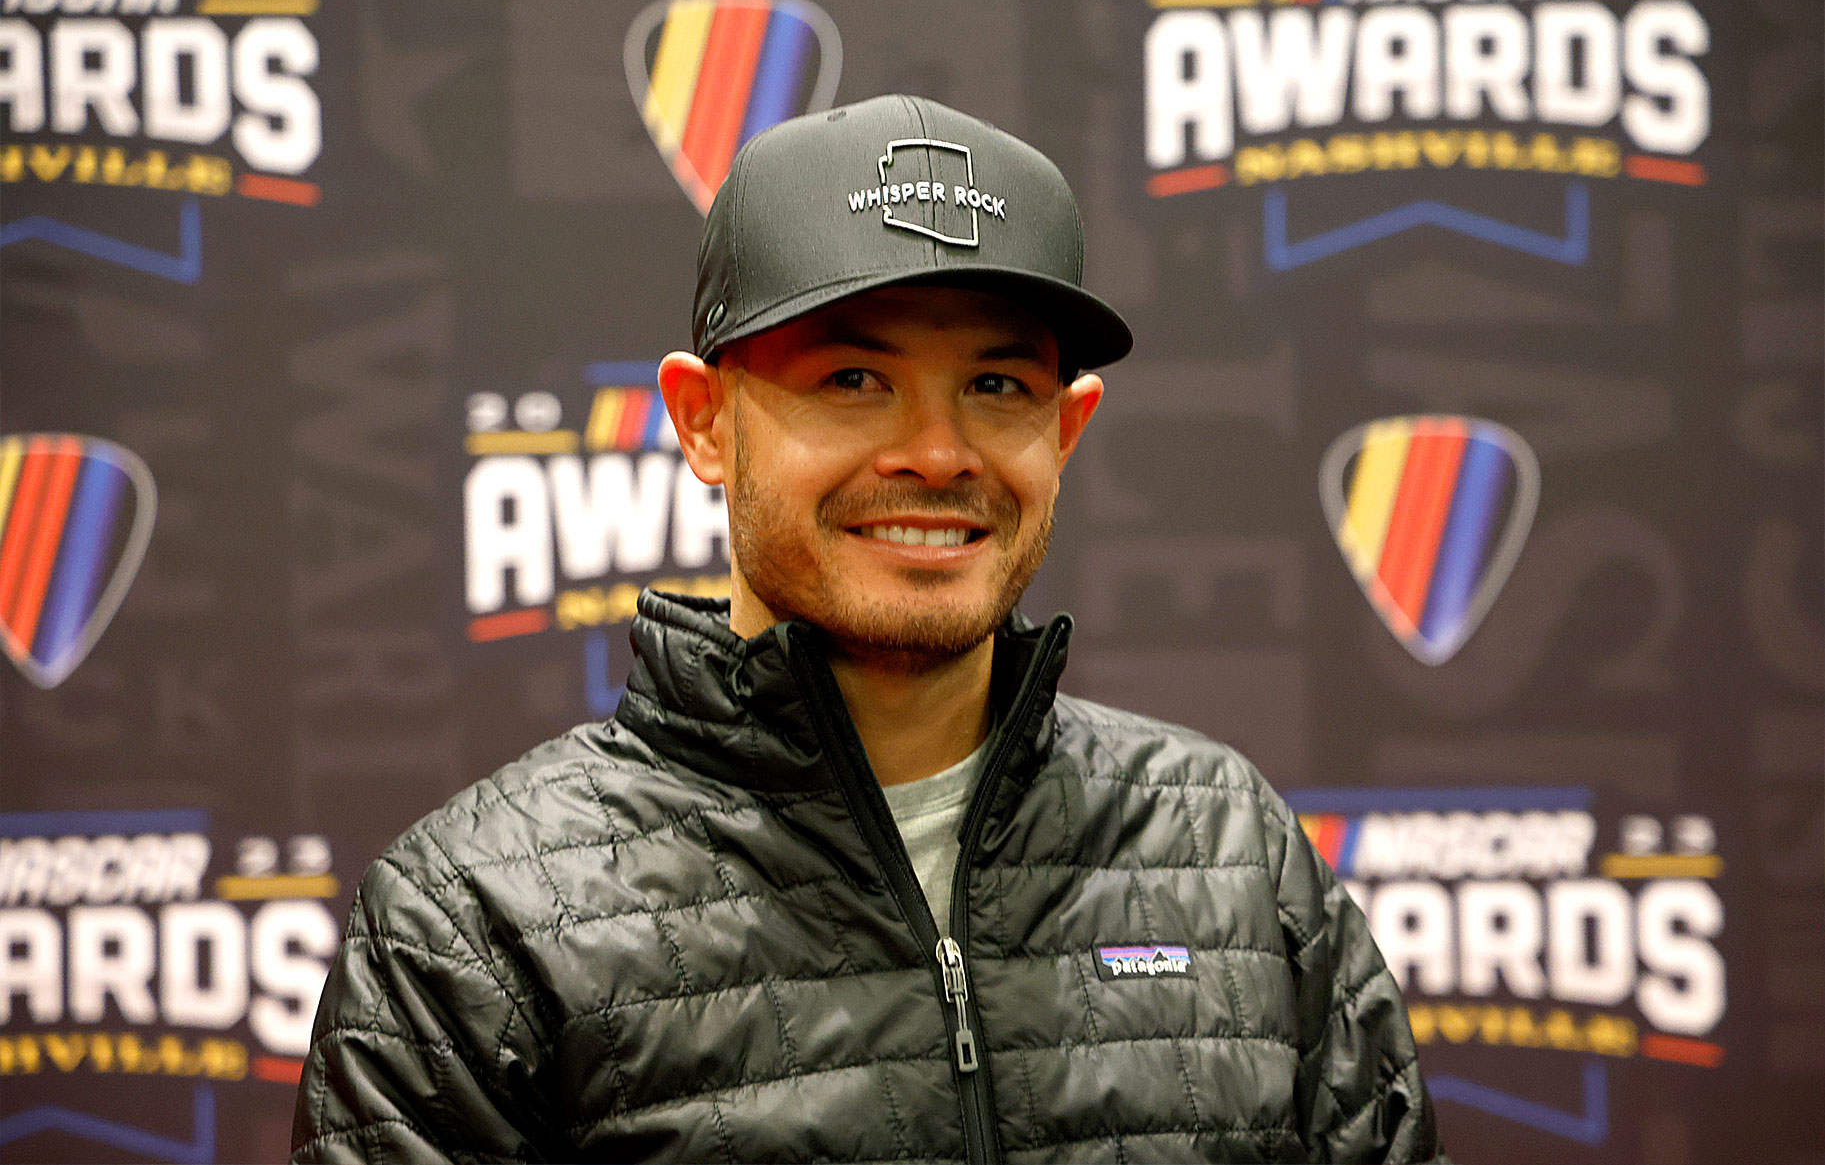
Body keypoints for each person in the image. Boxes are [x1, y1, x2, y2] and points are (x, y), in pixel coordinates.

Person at [292, 94, 1440, 1164]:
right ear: (702, 421)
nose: (936, 453)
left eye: (996, 386)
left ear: (1069, 427)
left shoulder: (1230, 854)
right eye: (853, 377)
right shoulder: (477, 920)